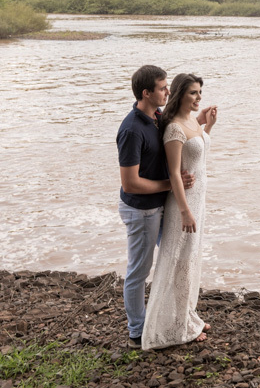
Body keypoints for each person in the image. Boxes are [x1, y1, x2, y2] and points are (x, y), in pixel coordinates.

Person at [116, 65, 195, 348]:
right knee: (139, 271)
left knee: (177, 258)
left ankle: (178, 317)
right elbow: (130, 184)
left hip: (161, 206)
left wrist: (206, 124)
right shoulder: (131, 130)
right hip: (141, 210)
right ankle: (137, 330)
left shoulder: (157, 117)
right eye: (163, 88)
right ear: (146, 93)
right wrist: (171, 186)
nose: (168, 92)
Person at [141, 72, 218, 350]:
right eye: (193, 93)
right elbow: (175, 173)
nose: (199, 98)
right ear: (179, 95)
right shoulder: (174, 127)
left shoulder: (190, 121)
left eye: (200, 92)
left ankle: (186, 315)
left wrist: (207, 127)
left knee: (190, 259)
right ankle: (171, 328)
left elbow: (196, 155)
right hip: (183, 204)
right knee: (178, 262)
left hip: (198, 200)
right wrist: (185, 211)